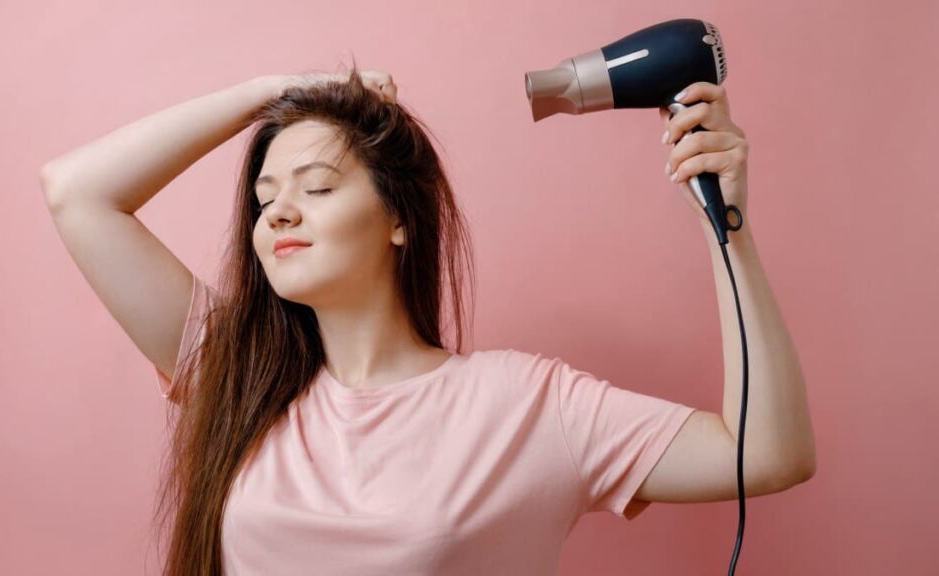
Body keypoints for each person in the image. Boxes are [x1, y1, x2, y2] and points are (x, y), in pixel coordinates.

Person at [41, 62, 815, 576]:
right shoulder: (237, 381)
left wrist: (729, 228)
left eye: (315, 186)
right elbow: (77, 192)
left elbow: (767, 455)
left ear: (398, 220)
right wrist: (274, 92)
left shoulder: (526, 406)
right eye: (265, 194)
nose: (279, 208)